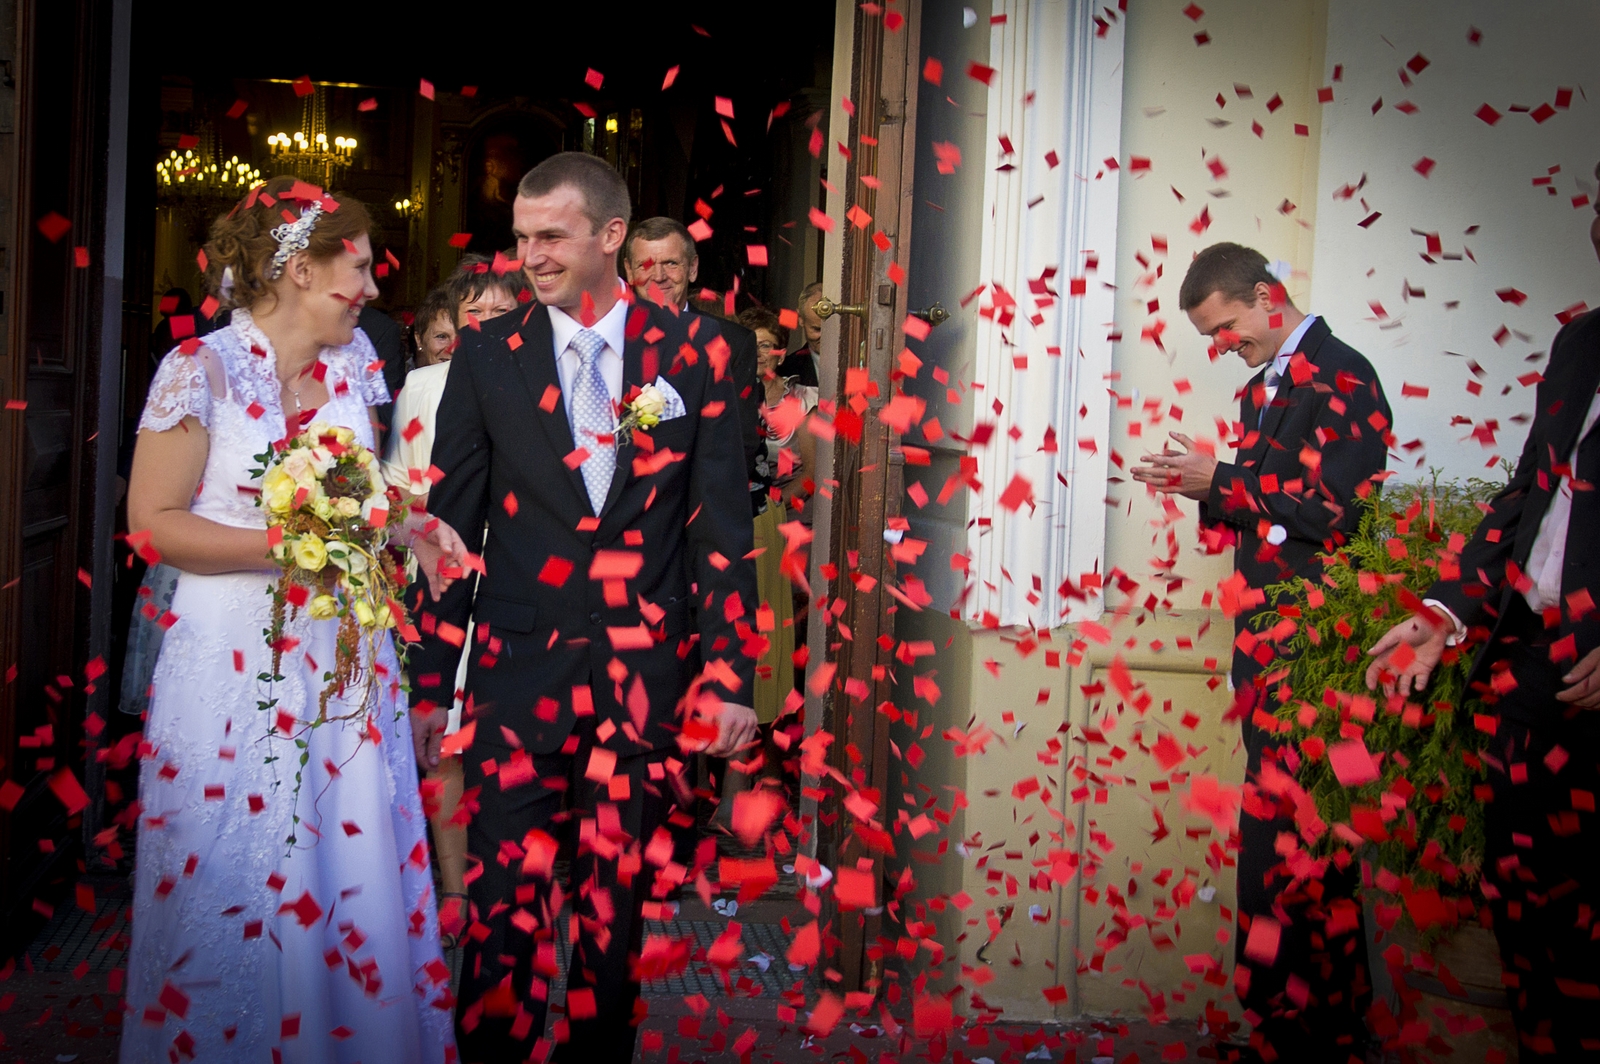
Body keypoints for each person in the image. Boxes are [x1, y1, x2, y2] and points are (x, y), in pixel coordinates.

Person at [406, 152, 758, 1062]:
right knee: (502, 926)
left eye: (551, 235)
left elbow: (719, 528)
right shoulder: (486, 355)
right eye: (521, 238)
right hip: (518, 681)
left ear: (611, 236)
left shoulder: (699, 352)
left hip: (642, 679)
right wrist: (427, 687)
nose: (531, 255)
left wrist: (726, 678)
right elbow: (450, 536)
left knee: (614, 927)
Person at [121, 175, 466, 1063]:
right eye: (356, 266)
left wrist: (415, 525)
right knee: (230, 855)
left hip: (344, 655)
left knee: (346, 855)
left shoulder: (357, 366)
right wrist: (295, 540)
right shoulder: (196, 370)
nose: (373, 288)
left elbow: (366, 490)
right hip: (227, 656)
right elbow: (153, 523)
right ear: (302, 269)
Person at [1131, 243, 1392, 1064]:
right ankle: (1278, 1028)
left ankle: (1327, 1038)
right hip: (1266, 652)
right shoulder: (1257, 390)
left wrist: (1225, 482)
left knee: (1310, 852)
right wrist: (1200, 484)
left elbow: (1342, 514)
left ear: (1269, 297)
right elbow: (1263, 513)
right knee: (1267, 855)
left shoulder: (1348, 377)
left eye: (1227, 326)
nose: (1222, 345)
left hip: (1321, 655)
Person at [1366, 194, 1600, 1057]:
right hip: (1536, 668)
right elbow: (1525, 498)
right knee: (1527, 911)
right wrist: (1446, 609)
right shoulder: (1581, 344)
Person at [624, 216, 765, 519]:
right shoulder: (606, 339)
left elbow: (740, 441)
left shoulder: (731, 343)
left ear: (693, 268)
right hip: (619, 513)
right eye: (645, 265)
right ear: (628, 271)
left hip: (695, 511)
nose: (658, 276)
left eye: (671, 264)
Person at [778, 281, 824, 387]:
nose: (825, 337)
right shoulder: (785, 370)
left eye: (831, 330)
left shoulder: (857, 364)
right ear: (800, 319)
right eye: (817, 329)